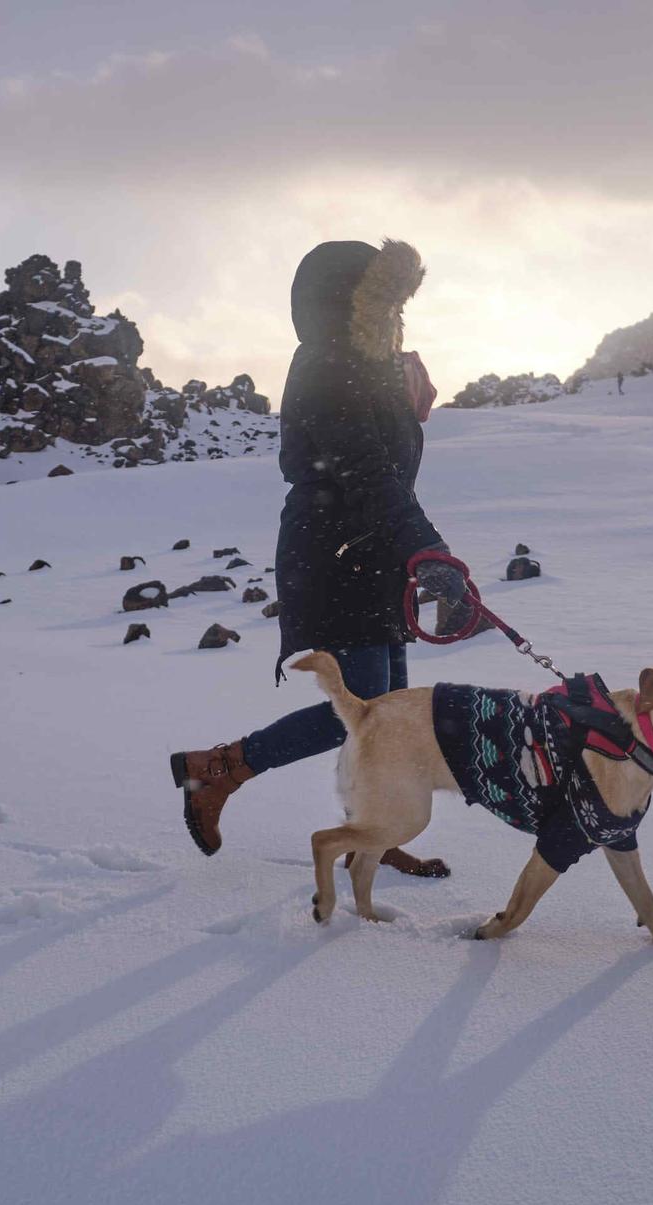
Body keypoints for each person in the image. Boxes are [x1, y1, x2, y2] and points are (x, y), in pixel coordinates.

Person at [169, 239, 456, 878]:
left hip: (372, 551)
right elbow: (368, 474)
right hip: (335, 556)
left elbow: (388, 481)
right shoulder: (330, 365)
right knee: (357, 713)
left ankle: (371, 829)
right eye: (383, 304)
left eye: (398, 307)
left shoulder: (369, 367)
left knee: (390, 717)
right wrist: (432, 553)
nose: (395, 318)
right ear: (346, 306)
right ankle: (215, 770)